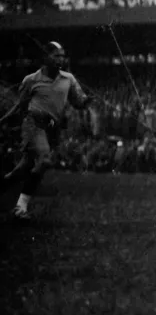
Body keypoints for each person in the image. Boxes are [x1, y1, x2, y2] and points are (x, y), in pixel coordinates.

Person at [1, 42, 90, 221]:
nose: (61, 59)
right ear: (46, 57)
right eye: (57, 55)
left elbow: (78, 102)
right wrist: (3, 121)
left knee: (22, 170)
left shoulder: (69, 79)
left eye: (63, 56)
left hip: (52, 129)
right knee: (45, 160)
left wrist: (87, 101)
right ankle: (20, 207)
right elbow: (20, 106)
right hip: (33, 124)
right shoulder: (31, 80)